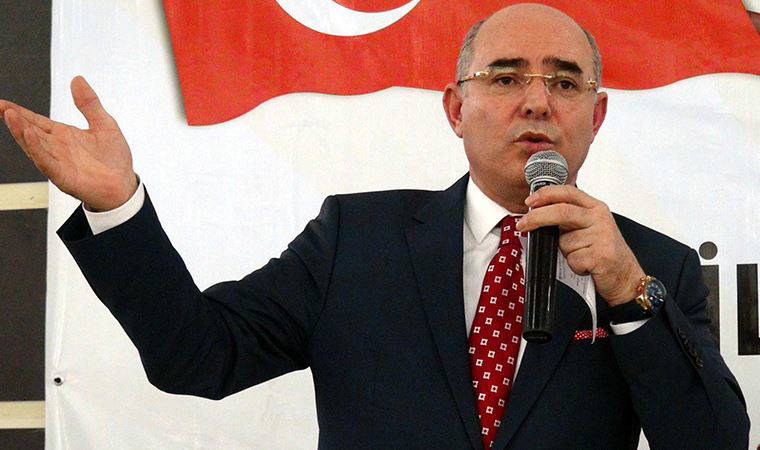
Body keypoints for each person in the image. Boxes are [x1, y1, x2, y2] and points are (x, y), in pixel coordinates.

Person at [0, 4, 749, 449]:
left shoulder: (653, 268)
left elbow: (712, 443)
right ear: (455, 109)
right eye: (505, 76)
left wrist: (628, 292)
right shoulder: (355, 241)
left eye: (564, 81)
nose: (536, 100)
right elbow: (197, 356)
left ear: (596, 114)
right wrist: (117, 205)